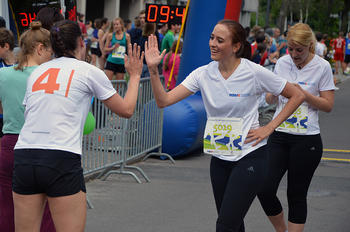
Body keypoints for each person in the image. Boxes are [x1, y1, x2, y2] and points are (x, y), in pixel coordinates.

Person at [145, 19, 305, 232]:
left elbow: (297, 95)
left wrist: (269, 127)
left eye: (220, 40)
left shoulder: (254, 71)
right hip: (219, 159)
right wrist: (154, 71)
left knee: (225, 226)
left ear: (236, 46)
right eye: (212, 38)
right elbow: (163, 101)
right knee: (234, 225)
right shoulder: (202, 73)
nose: (213, 43)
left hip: (250, 156)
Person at [12, 20, 143, 232]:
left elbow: (31, 113)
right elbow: (126, 109)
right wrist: (135, 76)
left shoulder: (37, 72)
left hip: (25, 153)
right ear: (81, 42)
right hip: (61, 155)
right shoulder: (89, 71)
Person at [258, 23, 335, 232]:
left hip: (306, 138)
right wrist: (273, 94)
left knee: (296, 194)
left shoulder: (322, 66)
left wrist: (303, 94)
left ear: (310, 45)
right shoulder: (282, 63)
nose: (293, 54)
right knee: (264, 188)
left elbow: (328, 105)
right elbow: (270, 98)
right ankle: (281, 229)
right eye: (290, 49)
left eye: (299, 50)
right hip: (279, 134)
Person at [0, 21, 56, 232]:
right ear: (41, 48)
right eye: (50, 50)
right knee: (48, 208)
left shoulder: (4, 75)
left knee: (7, 206)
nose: (51, 55)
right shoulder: (50, 76)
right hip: (43, 145)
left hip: (10, 143)